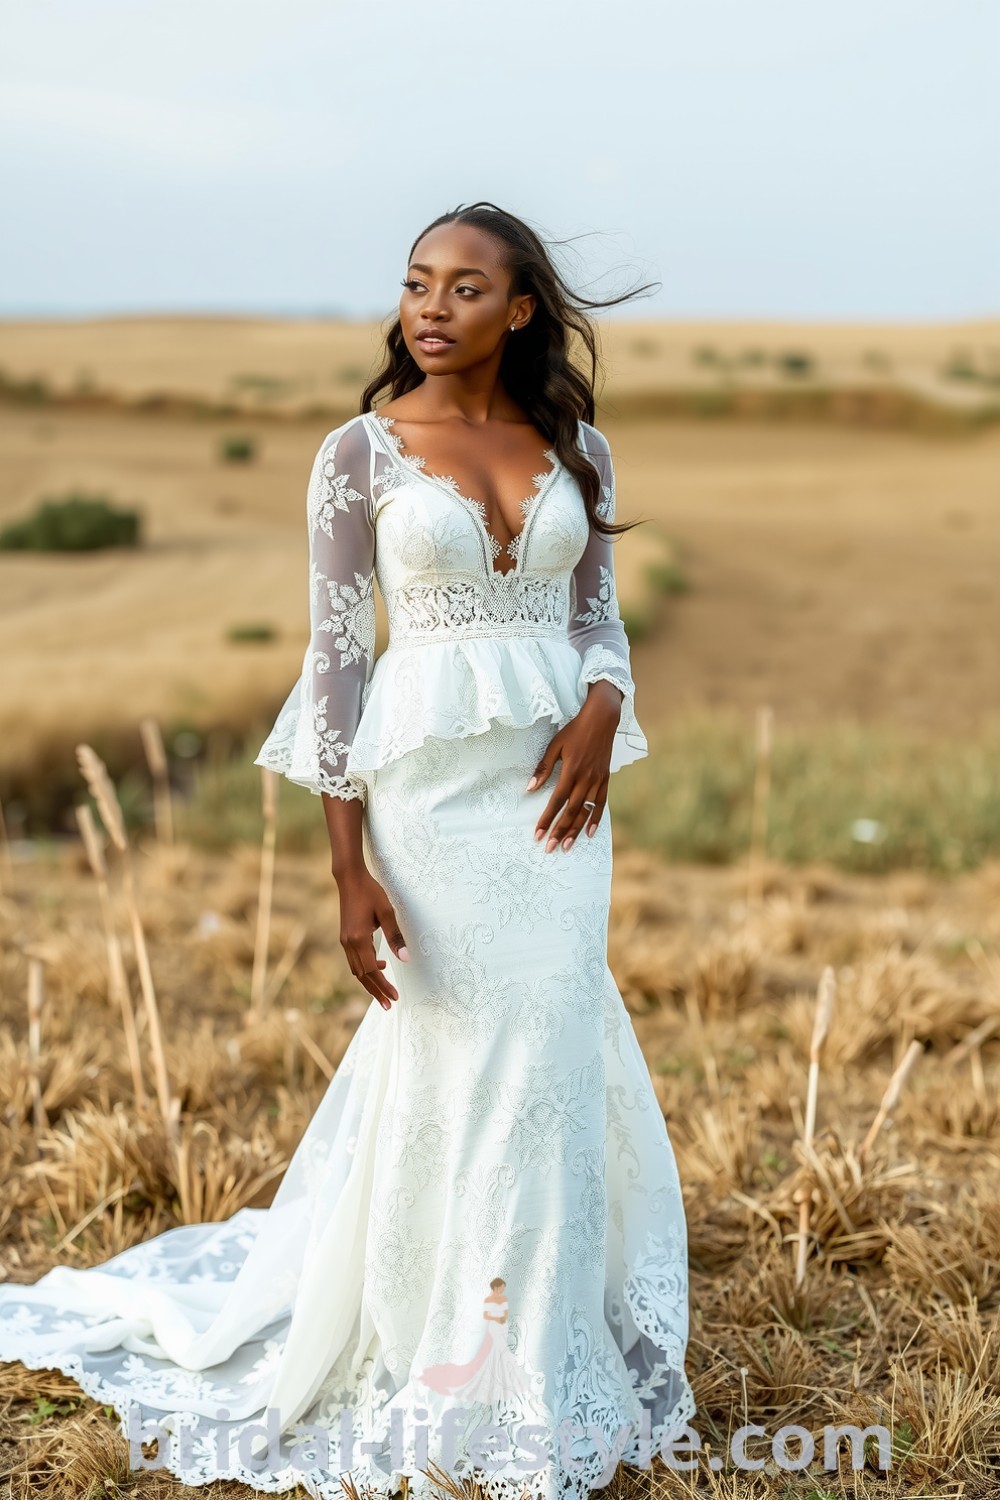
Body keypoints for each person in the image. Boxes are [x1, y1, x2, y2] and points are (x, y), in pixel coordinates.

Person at [0, 202, 695, 1500]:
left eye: (466, 287)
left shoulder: (579, 446)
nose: (431, 306)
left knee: (547, 1049)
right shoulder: (358, 454)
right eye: (417, 282)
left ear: (521, 310)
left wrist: (607, 704)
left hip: (554, 797)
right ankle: (439, 1342)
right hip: (424, 802)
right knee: (452, 1057)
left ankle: (534, 1362)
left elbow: (597, 619)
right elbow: (334, 658)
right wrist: (346, 864)